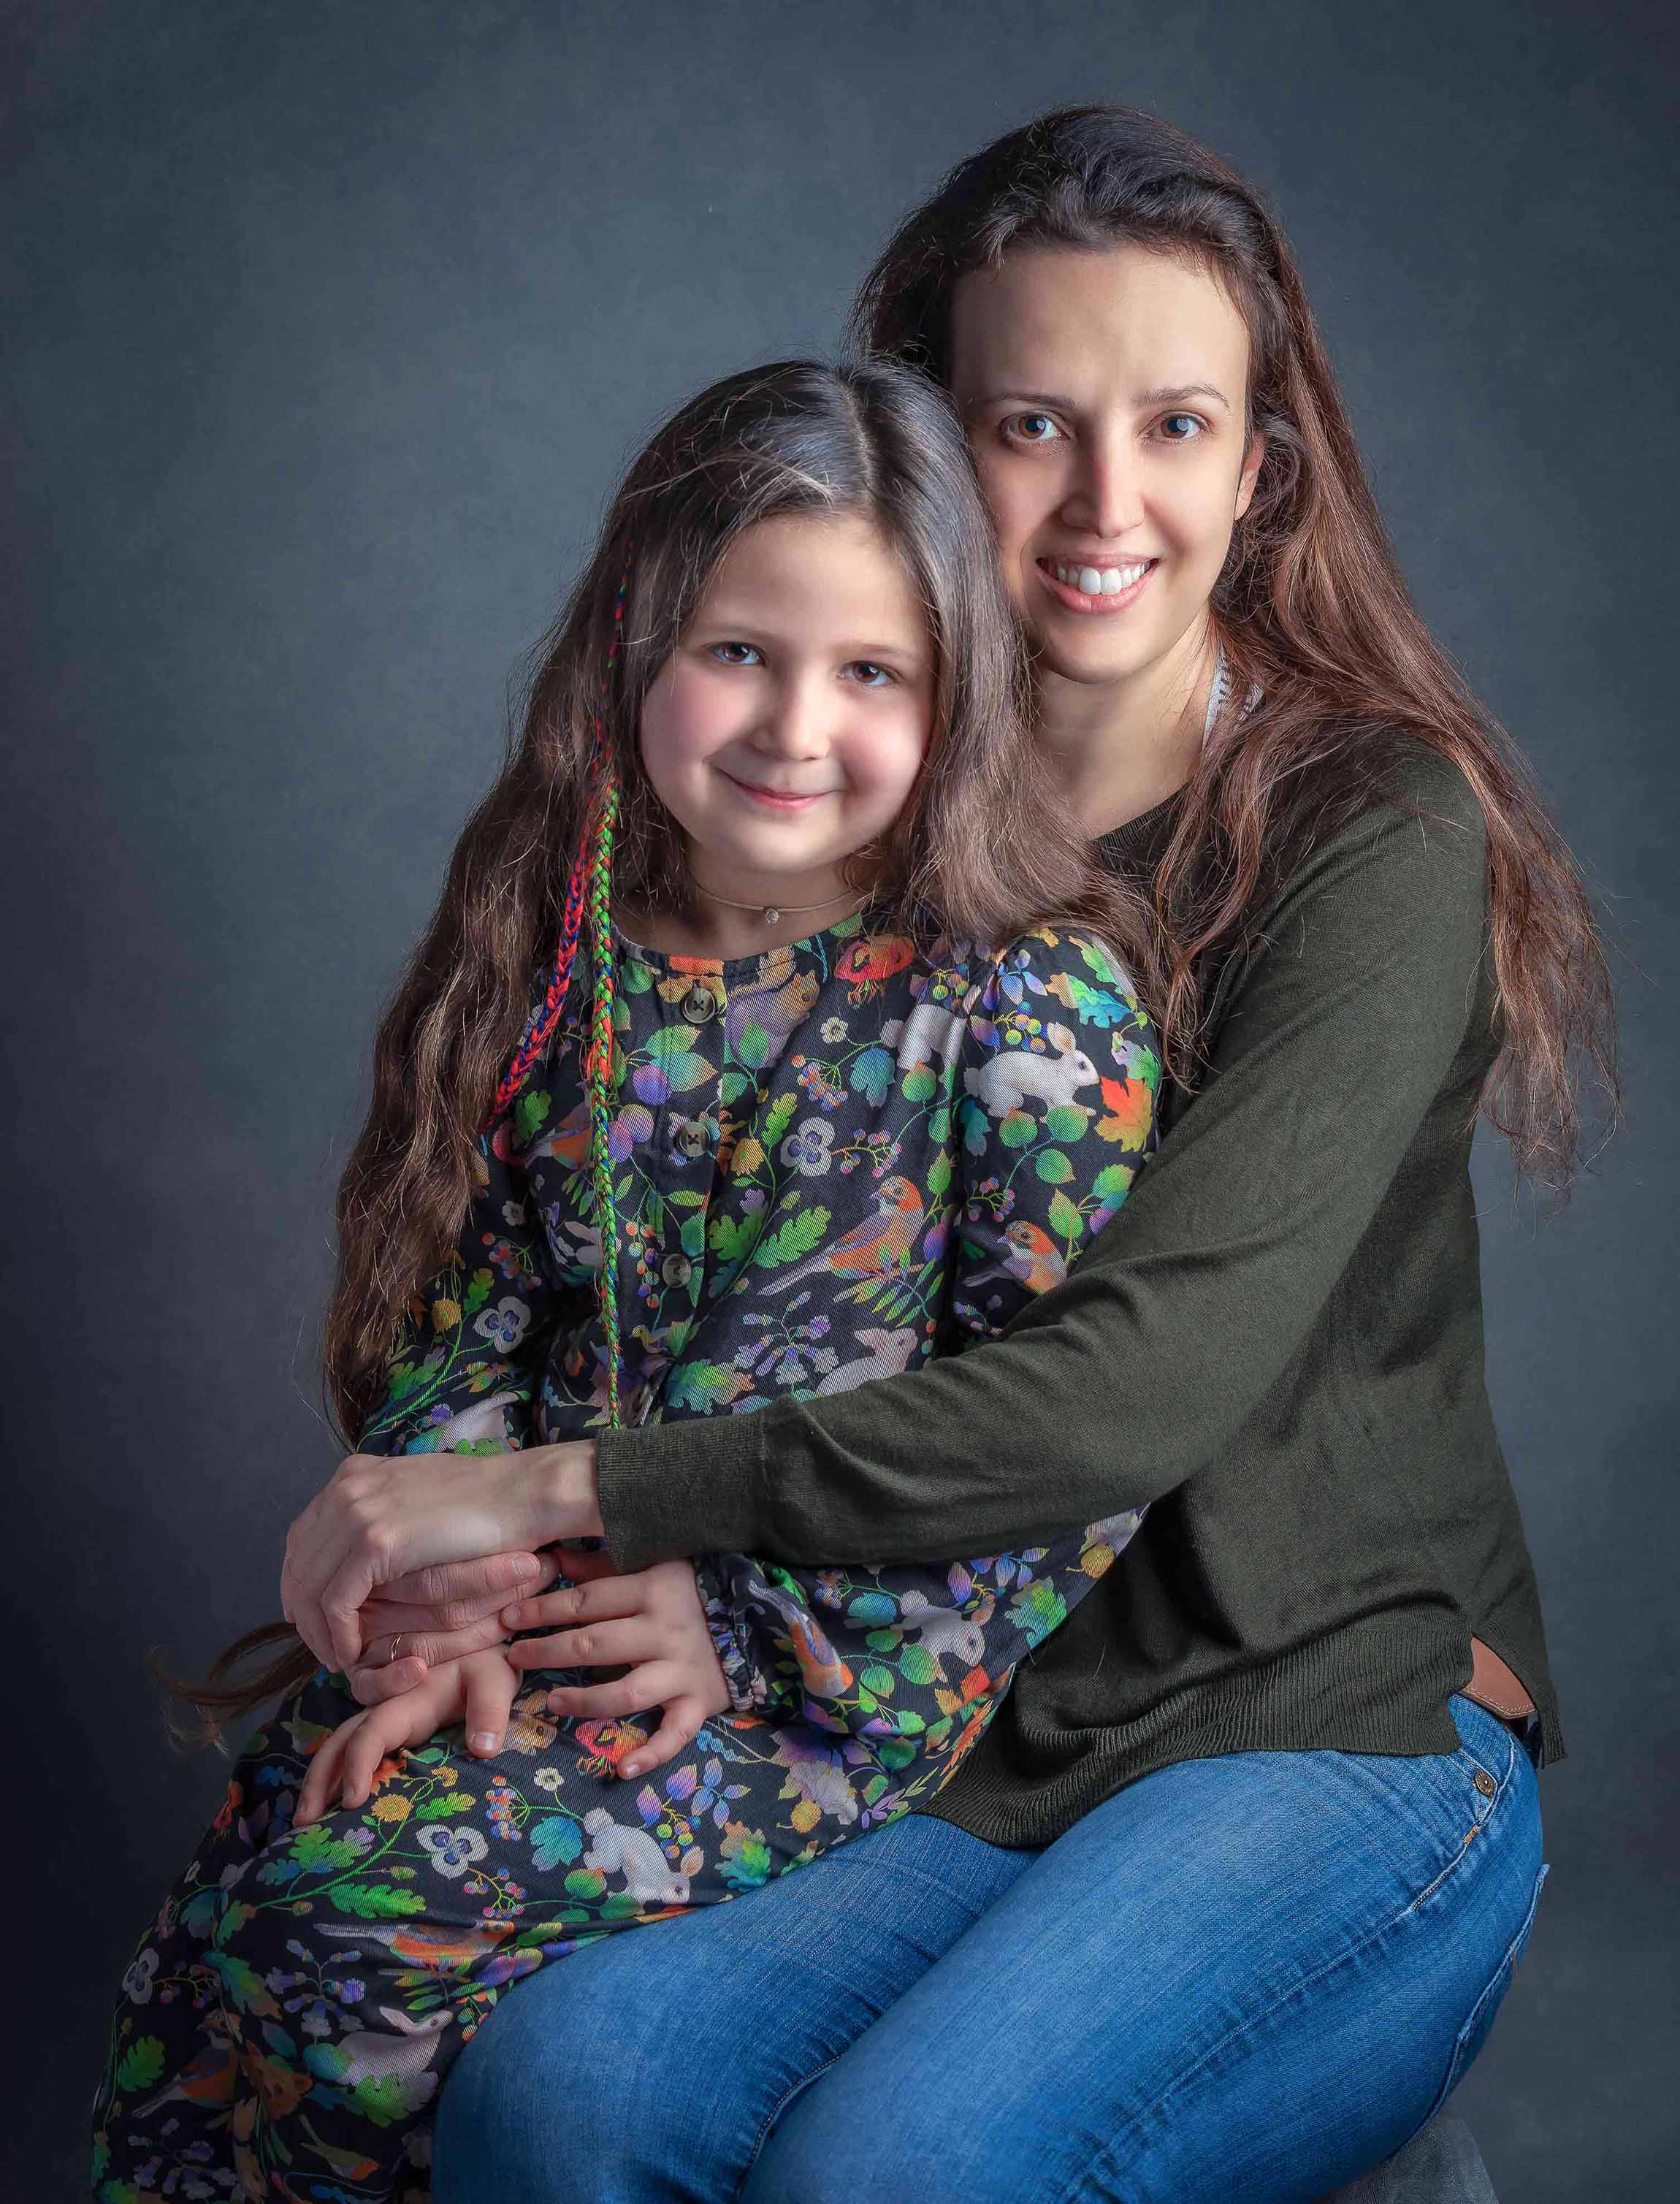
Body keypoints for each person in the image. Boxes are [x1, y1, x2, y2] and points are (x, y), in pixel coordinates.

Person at [307, 110, 1614, 2203]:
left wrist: (568, 1490)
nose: (1108, 505)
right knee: (553, 2091)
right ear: (927, 440)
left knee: (897, 2167)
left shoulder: (1369, 831)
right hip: (954, 1732)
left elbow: (1135, 1385)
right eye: (1030, 424)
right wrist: (515, 1590)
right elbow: (607, 1268)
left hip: (1324, 1724)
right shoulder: (830, 811)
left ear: (1258, 467)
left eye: (1176, 425)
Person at [92, 356, 1166, 2203]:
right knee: (249, 1899)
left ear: (957, 695)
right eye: (741, 651)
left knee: (346, 1929)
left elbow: (1067, 1450)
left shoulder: (1023, 1010)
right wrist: (459, 1607)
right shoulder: (563, 946)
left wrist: (748, 1633)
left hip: (824, 1692)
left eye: (872, 674)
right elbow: (476, 1310)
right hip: (547, 1636)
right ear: (634, 634)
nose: (793, 727)